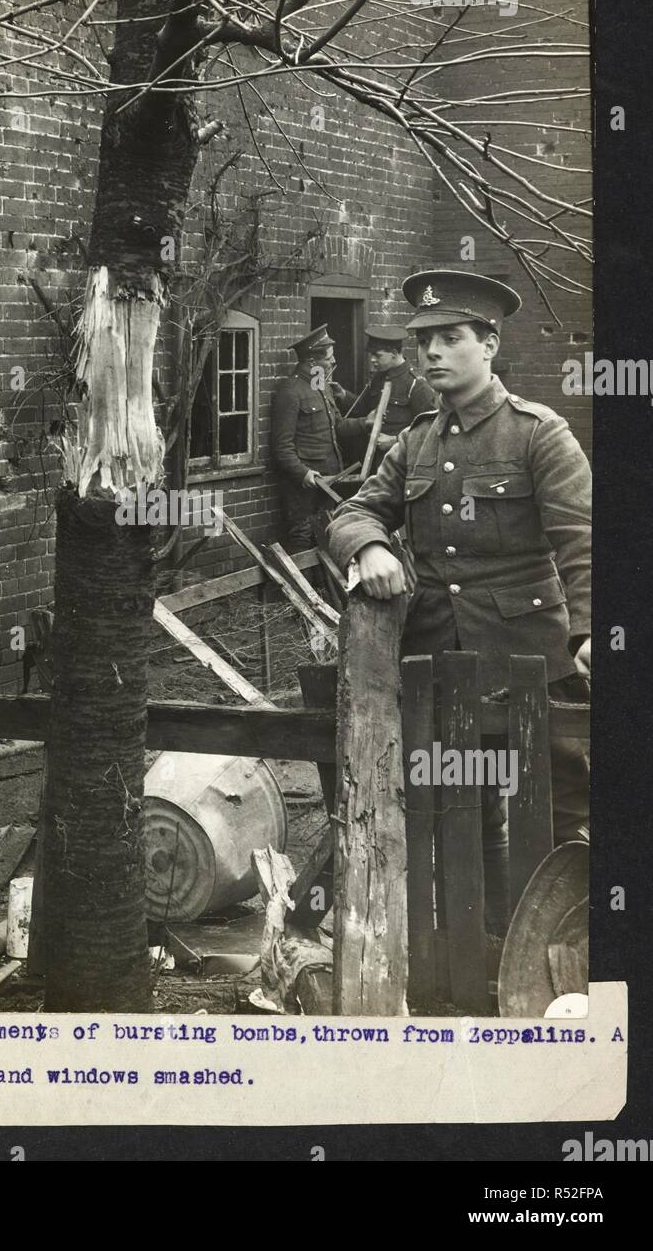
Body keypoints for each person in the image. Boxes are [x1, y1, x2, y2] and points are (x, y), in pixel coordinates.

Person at [327, 269, 591, 934]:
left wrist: (590, 636)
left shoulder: (538, 433)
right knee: (462, 810)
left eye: (450, 338)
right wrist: (369, 547)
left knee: (558, 812)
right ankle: (487, 943)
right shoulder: (416, 440)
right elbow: (353, 510)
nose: (433, 354)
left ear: (490, 344)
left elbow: (582, 542)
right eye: (425, 343)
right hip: (440, 658)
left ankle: (559, 952)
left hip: (532, 660)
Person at [270, 325, 371, 551]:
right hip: (305, 483)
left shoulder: (321, 386)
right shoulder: (290, 392)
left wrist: (366, 423)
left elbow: (337, 426)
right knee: (302, 533)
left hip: (330, 476)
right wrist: (303, 473)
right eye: (330, 361)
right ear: (313, 362)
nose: (332, 365)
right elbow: (282, 447)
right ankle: (301, 586)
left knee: (327, 529)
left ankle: (323, 587)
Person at [345, 323, 435, 471]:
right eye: (371, 354)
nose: (372, 360)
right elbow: (361, 408)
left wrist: (395, 440)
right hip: (372, 463)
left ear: (393, 352)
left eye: (377, 355)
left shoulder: (416, 385)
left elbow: (429, 430)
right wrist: (342, 395)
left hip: (399, 464)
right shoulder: (378, 379)